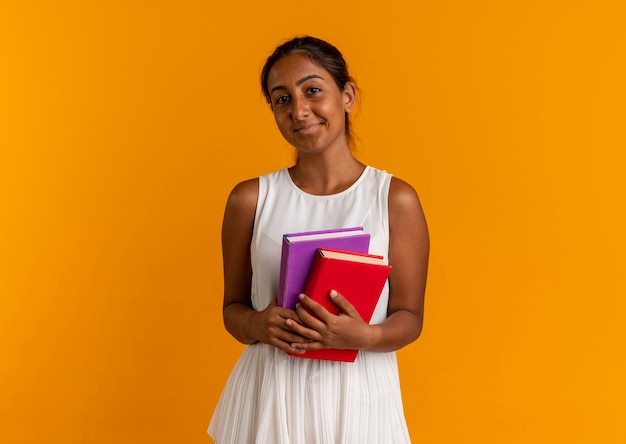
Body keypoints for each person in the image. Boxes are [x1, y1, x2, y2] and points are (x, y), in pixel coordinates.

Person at [208, 36, 429, 444]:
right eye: (281, 99)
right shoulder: (249, 199)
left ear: (346, 95)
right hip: (272, 397)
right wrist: (257, 322)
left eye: (312, 90)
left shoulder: (394, 199)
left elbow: (410, 317)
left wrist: (367, 336)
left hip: (359, 396)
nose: (299, 109)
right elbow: (232, 310)